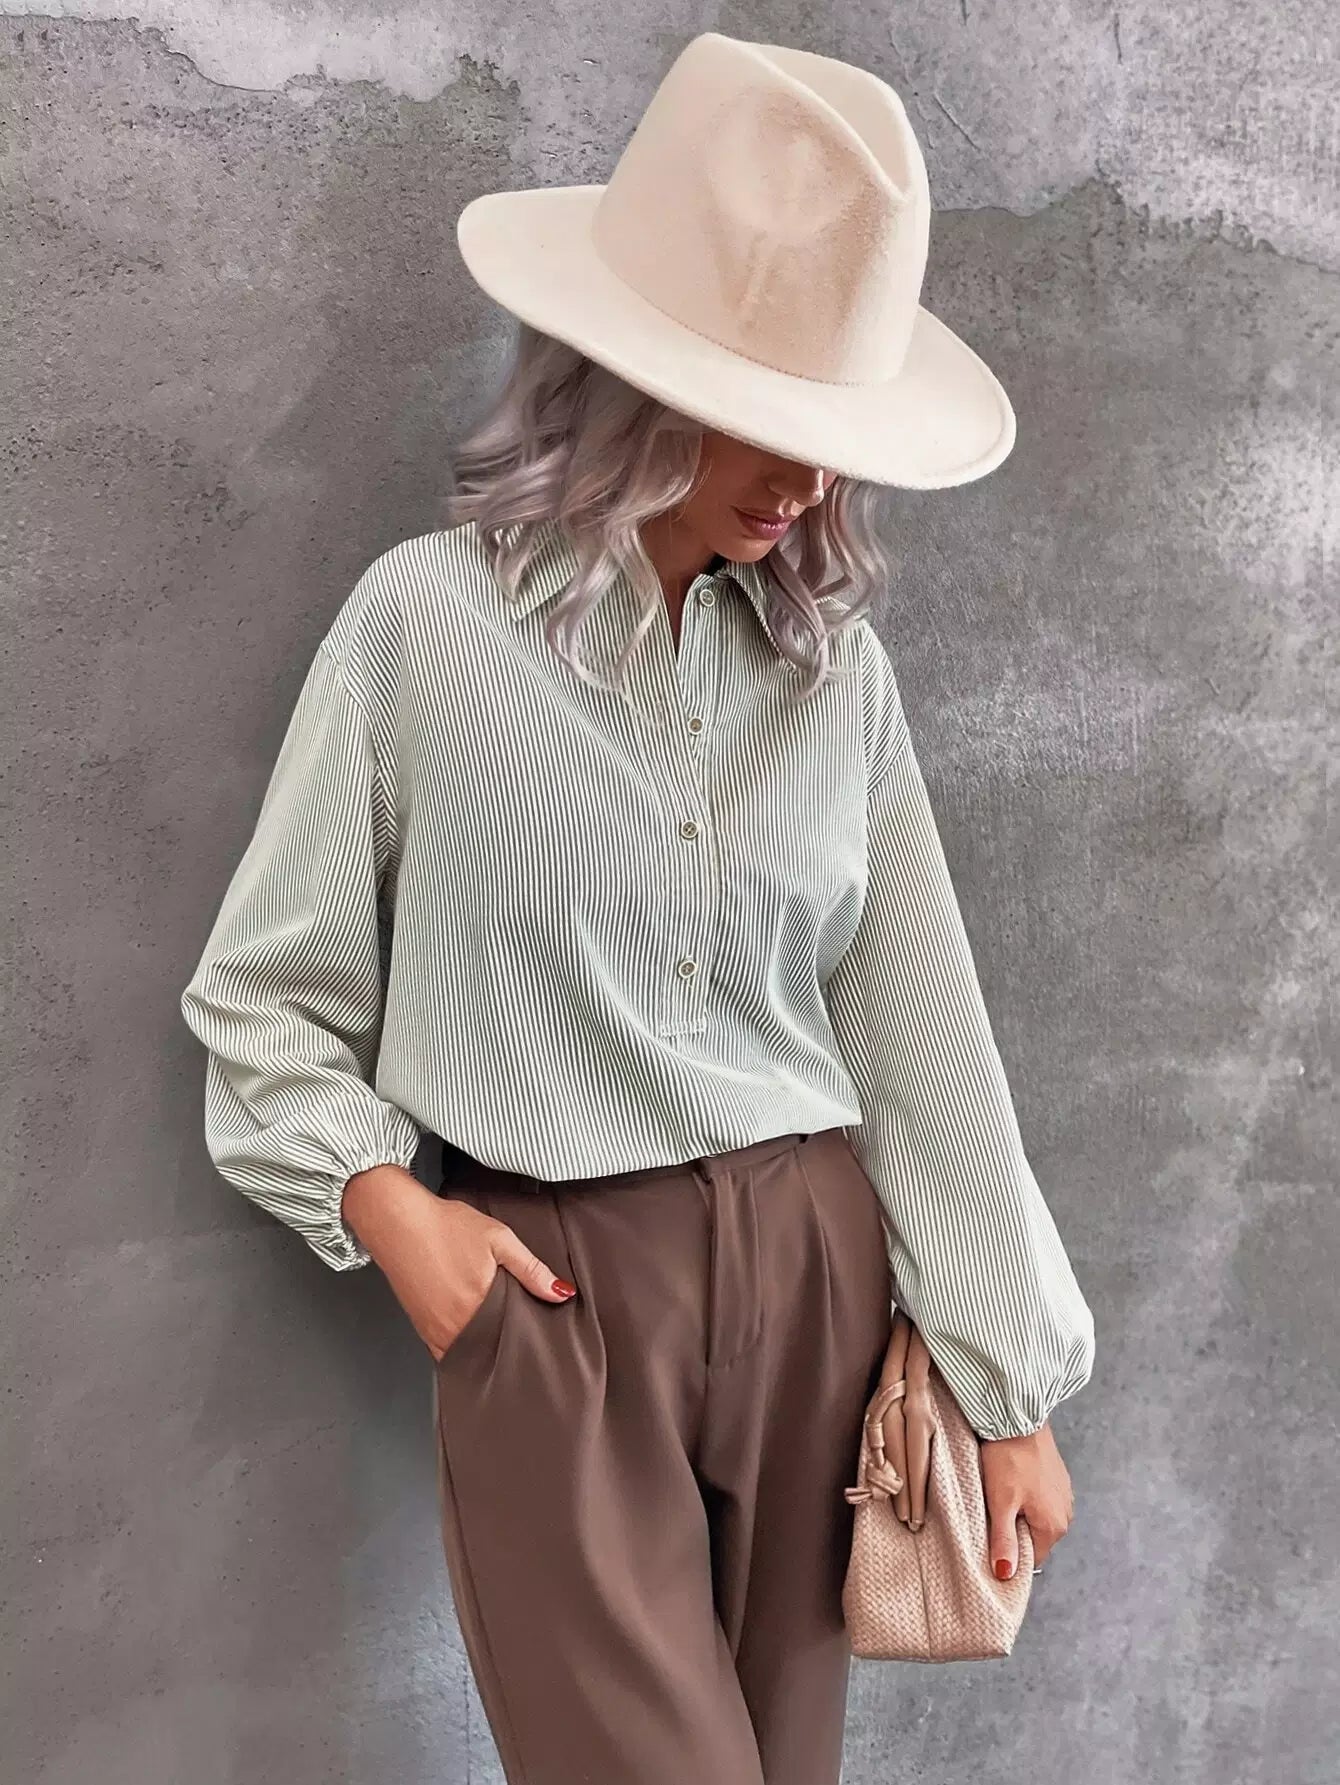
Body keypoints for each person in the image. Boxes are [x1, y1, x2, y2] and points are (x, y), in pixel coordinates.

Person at [179, 31, 1096, 1785]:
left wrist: (1011, 1393)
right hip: (556, 1293)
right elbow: (262, 991)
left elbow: (924, 1043)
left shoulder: (838, 679)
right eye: (767, 413)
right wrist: (391, 1207)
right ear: (629, 379)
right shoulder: (422, 628)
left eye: (835, 429)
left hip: (819, 1280)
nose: (808, 479)